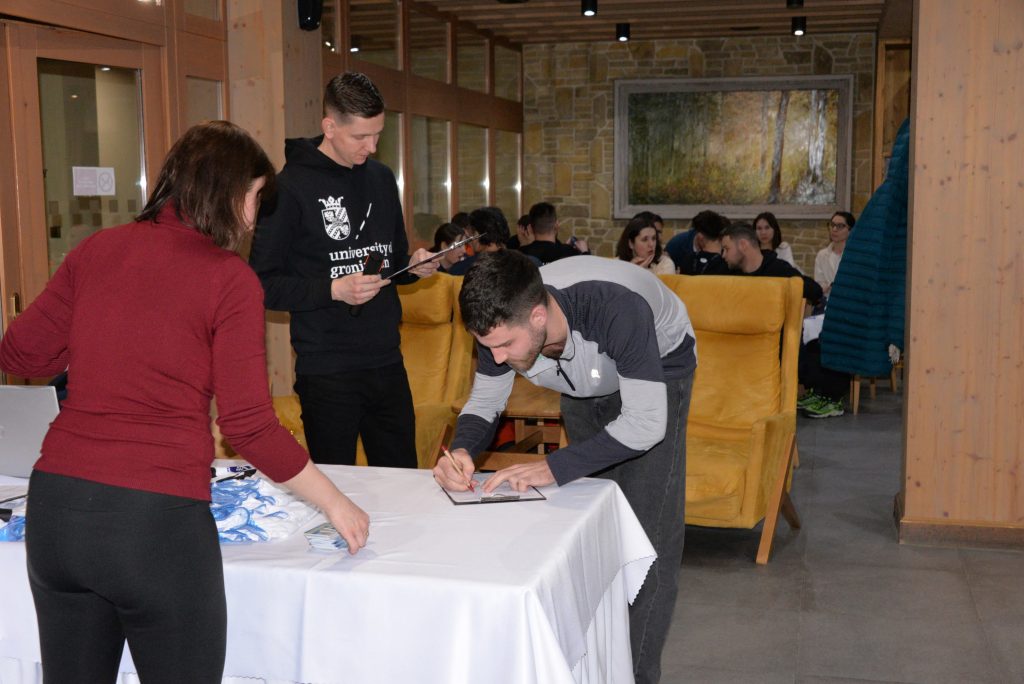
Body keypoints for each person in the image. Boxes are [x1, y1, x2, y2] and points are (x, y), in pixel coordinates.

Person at [0, 121, 370, 684]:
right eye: (255, 197)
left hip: (57, 513)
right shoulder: (229, 278)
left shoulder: (96, 249)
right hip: (153, 525)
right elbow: (248, 426)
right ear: (228, 192)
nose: (254, 218)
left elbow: (21, 354)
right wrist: (336, 503)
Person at [433, 250, 697, 684]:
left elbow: (646, 425)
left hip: (659, 367)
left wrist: (553, 468)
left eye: (505, 346)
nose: (496, 358)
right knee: (587, 528)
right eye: (488, 346)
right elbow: (485, 400)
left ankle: (638, 676)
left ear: (538, 316)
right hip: (584, 376)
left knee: (647, 541)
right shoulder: (499, 321)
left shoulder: (617, 310)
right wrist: (462, 450)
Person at [250, 72, 439, 468]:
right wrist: (333, 290)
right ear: (330, 127)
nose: (372, 147)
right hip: (327, 368)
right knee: (338, 484)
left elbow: (389, 260)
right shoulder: (289, 189)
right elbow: (262, 284)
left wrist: (413, 266)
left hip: (386, 359)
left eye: (378, 135)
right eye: (360, 137)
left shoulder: (382, 179)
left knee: (403, 481)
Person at [711, 222, 823, 304]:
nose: (723, 255)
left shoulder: (778, 269)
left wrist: (778, 288)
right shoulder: (725, 271)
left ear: (743, 245)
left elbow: (815, 291)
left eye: (727, 249)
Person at [519, 201, 587, 264]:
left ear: (530, 228)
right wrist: (585, 252)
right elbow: (586, 270)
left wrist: (523, 244)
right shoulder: (569, 252)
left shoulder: (521, 255)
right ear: (556, 225)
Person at [814, 211, 855, 297]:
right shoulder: (822, 255)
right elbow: (819, 284)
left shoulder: (855, 256)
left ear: (850, 230)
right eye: (832, 225)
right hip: (827, 301)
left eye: (840, 226)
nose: (834, 229)